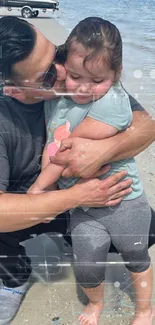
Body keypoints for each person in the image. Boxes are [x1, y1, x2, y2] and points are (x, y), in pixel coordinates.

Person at [0, 16, 154, 325]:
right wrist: (76, 195)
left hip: (80, 202)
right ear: (13, 89)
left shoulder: (84, 76)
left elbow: (146, 125)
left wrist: (103, 149)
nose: (60, 72)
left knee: (144, 231)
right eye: (46, 75)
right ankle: (13, 278)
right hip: (31, 206)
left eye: (56, 54)